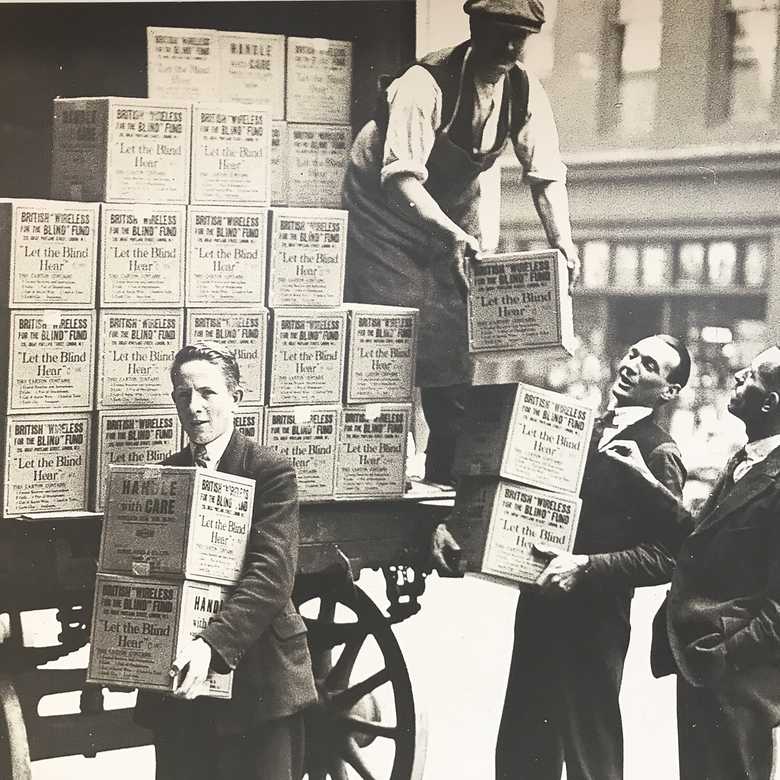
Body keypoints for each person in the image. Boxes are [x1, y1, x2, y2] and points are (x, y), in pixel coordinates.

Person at [342, 0, 579, 486]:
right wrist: (452, 233)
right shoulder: (424, 83)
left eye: (520, 38)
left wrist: (563, 242)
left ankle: (445, 478)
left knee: (456, 329)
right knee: (397, 325)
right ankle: (382, 470)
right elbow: (401, 180)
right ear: (475, 29)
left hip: (452, 207)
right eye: (499, 35)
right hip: (384, 210)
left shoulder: (523, 88)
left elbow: (547, 175)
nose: (510, 48)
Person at [494, 334, 691, 780]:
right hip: (542, 605)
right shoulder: (586, 428)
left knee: (589, 753)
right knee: (523, 746)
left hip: (593, 623)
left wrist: (585, 566)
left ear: (669, 392)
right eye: (633, 353)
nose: (632, 365)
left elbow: (667, 555)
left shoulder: (659, 453)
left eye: (650, 367)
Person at [134, 342, 317, 780]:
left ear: (235, 396)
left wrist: (213, 645)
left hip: (258, 684)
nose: (194, 406)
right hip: (182, 687)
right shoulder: (167, 475)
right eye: (182, 395)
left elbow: (271, 576)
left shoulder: (269, 471)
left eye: (207, 393)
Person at [605, 345, 780, 780]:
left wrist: (725, 652)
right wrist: (647, 481)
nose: (738, 374)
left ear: (769, 403)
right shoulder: (746, 459)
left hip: (737, 675)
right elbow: (698, 537)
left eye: (753, 374)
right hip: (704, 663)